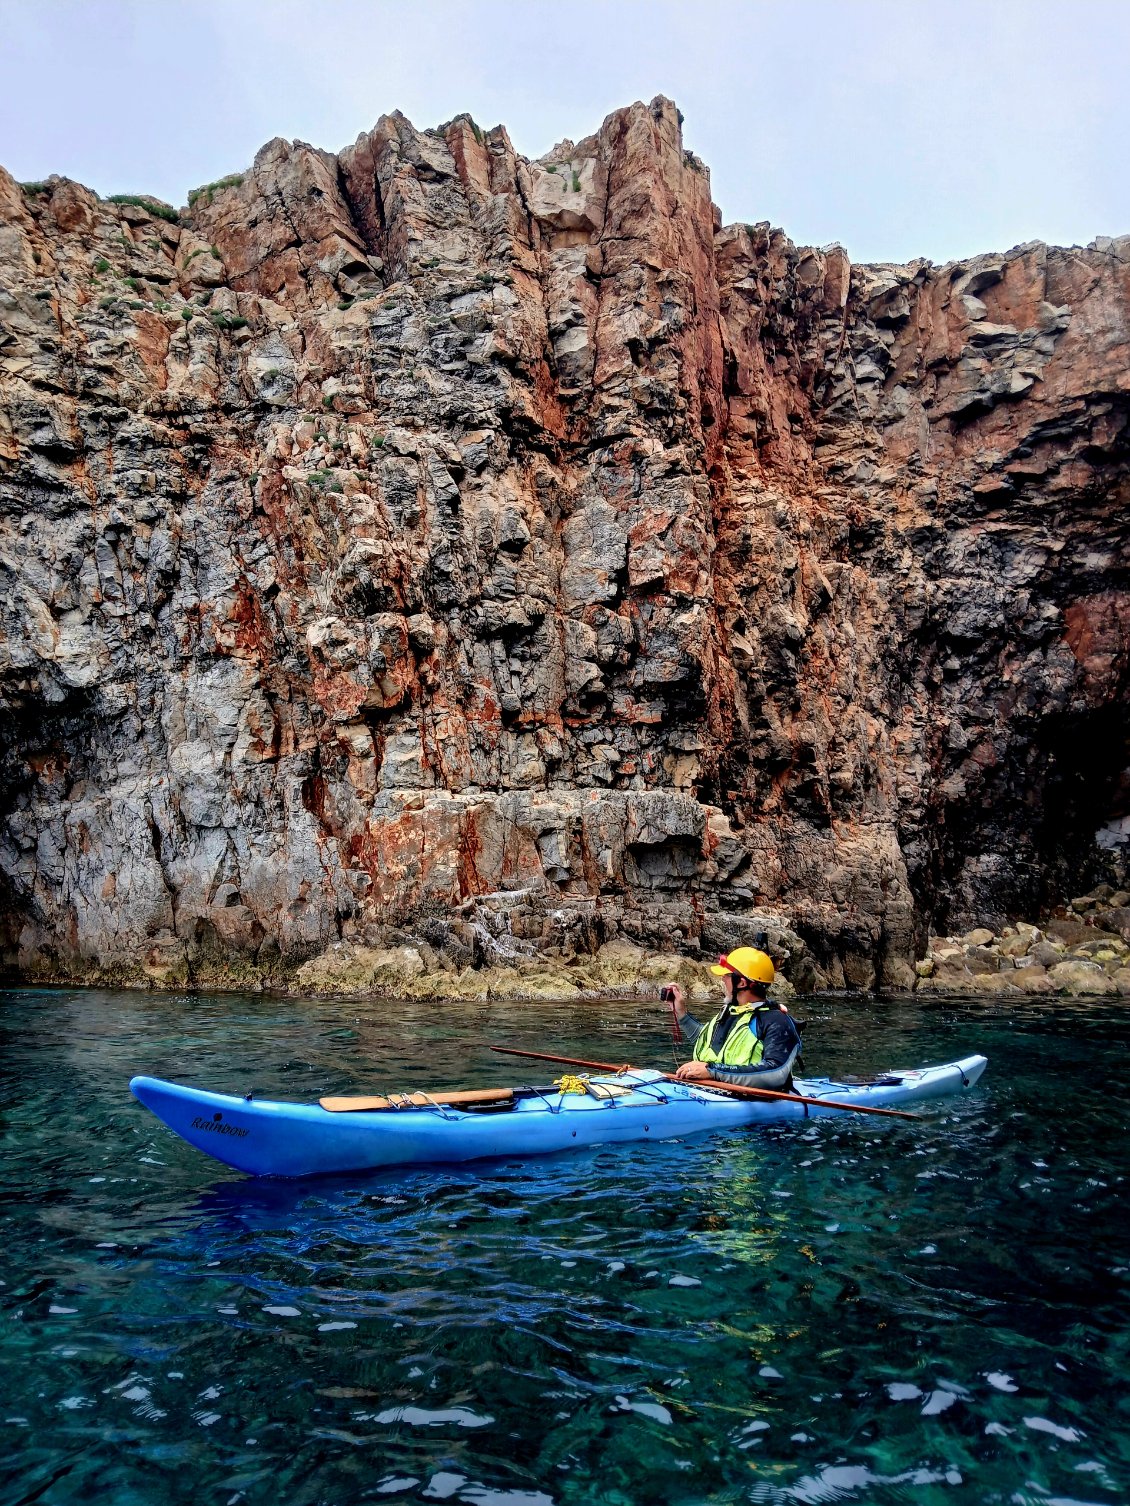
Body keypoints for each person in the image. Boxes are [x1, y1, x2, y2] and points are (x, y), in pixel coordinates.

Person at [664, 946, 801, 1090]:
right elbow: (705, 1040)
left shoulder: (777, 1021)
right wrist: (682, 1014)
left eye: (727, 975)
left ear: (741, 983)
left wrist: (713, 1071)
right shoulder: (731, 1012)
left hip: (755, 1101)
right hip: (712, 1092)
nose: (722, 978)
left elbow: (776, 1073)